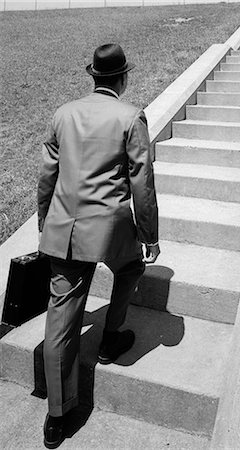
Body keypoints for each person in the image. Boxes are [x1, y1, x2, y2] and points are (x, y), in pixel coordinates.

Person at [37, 43, 160, 449]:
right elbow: (142, 183)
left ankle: (57, 417)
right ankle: (111, 338)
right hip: (110, 231)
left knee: (61, 320)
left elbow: (47, 177)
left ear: (93, 76)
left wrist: (45, 223)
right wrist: (150, 235)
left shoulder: (63, 114)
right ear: (122, 78)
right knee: (130, 268)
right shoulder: (130, 117)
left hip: (66, 231)